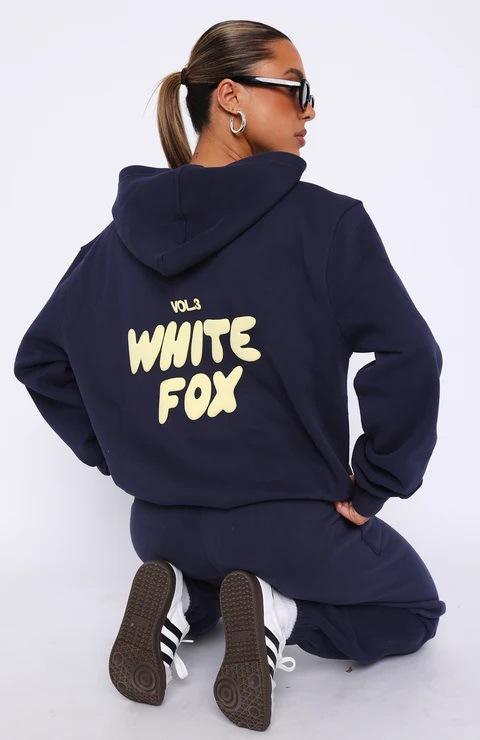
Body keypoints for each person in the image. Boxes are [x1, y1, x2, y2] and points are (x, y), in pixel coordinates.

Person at [13, 19, 446, 733]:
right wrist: (375, 482)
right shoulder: (325, 224)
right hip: (288, 526)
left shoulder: (110, 248)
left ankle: (182, 599)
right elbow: (411, 356)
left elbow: (40, 362)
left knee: (222, 576)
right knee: (411, 608)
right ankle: (282, 611)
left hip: (159, 526)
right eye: (296, 88)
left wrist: (122, 456)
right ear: (230, 97)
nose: (310, 109)